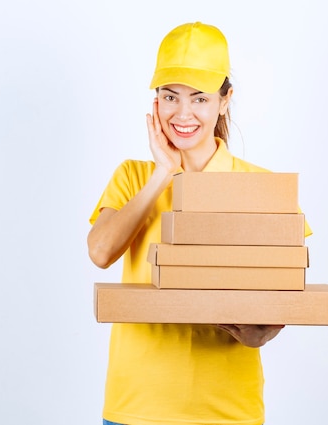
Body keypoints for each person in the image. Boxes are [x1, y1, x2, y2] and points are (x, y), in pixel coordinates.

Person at [88, 21, 312, 425]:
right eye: (170, 96)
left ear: (225, 102)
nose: (183, 113)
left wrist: (266, 331)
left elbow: (285, 292)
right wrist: (163, 174)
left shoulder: (261, 186)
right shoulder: (133, 177)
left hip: (227, 409)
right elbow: (100, 252)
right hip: (137, 407)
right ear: (155, 102)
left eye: (200, 99)